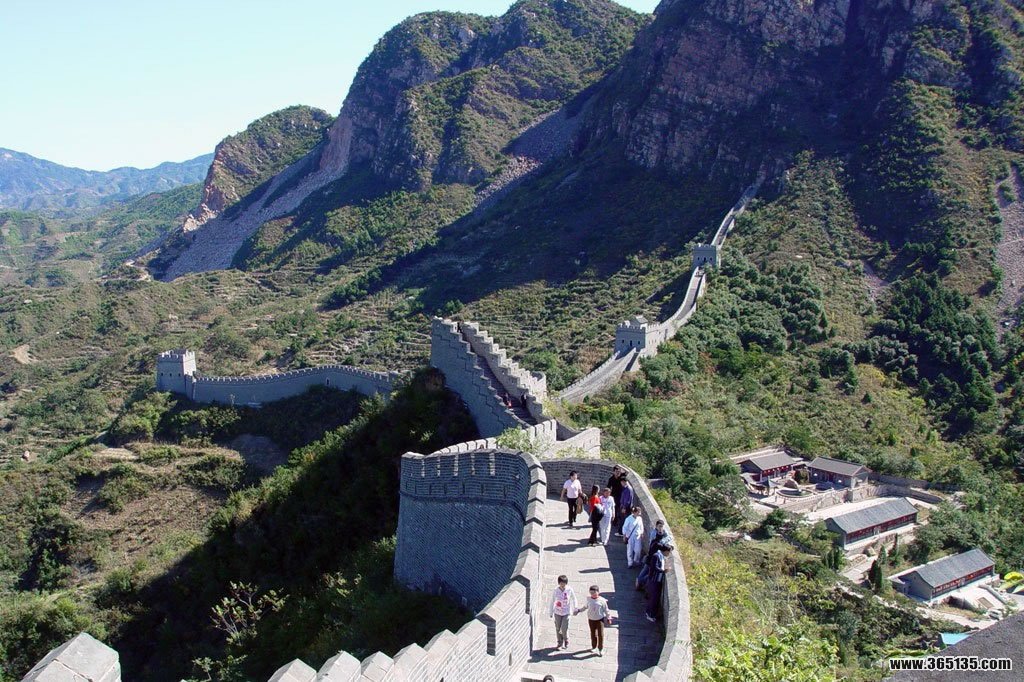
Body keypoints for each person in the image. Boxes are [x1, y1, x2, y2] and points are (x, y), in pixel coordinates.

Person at [575, 584, 611, 656]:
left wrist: (608, 617)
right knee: (593, 633)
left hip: (600, 619)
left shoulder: (602, 600)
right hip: (591, 619)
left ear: (598, 592)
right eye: (591, 593)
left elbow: (606, 610)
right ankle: (594, 646)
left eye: (594, 592)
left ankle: (600, 649)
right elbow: (585, 607)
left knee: (600, 634)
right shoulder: (589, 599)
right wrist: (579, 610)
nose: (593, 594)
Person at [645, 543, 673, 622]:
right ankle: (650, 614)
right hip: (654, 580)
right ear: (665, 551)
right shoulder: (656, 556)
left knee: (654, 598)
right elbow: (654, 567)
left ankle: (649, 613)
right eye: (668, 552)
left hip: (657, 580)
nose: (669, 554)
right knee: (653, 598)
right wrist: (663, 571)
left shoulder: (661, 556)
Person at [548, 574, 578, 650]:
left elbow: (574, 598)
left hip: (566, 612)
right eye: (561, 583)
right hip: (557, 612)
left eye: (564, 583)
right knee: (558, 628)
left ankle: (566, 639)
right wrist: (551, 612)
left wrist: (575, 607)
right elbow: (552, 601)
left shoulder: (569, 590)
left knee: (564, 627)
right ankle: (559, 642)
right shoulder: (556, 590)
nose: (562, 584)